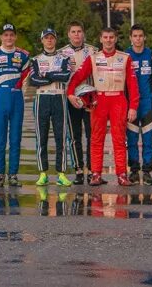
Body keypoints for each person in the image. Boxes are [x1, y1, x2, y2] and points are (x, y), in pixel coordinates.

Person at [66, 27, 140, 186]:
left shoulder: (125, 58)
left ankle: (121, 174)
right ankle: (96, 174)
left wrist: (133, 106)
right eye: (105, 37)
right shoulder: (93, 58)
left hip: (118, 100)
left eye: (111, 37)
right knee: (96, 139)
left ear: (116, 39)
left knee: (119, 139)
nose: (108, 40)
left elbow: (132, 85)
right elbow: (78, 76)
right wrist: (70, 93)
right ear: (100, 39)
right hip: (98, 101)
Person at [0, 23, 30, 187]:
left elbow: (25, 79)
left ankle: (13, 174)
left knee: (16, 139)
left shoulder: (24, 55)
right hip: (0, 99)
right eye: (6, 35)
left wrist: (20, 94)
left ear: (15, 37)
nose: (9, 38)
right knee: (0, 139)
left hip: (17, 99)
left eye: (11, 35)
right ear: (1, 37)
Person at [29, 28, 74, 186]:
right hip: (42, 98)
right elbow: (33, 80)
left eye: (52, 38)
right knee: (41, 136)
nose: (49, 40)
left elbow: (65, 75)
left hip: (59, 97)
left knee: (61, 136)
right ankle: (43, 173)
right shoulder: (35, 59)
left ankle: (61, 173)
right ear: (42, 40)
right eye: (46, 38)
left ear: (56, 40)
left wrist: (47, 75)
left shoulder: (64, 58)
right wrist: (53, 76)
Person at [59, 22, 97, 184]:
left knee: (92, 135)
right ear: (68, 34)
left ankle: (92, 169)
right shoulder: (61, 53)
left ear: (83, 34)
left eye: (79, 31)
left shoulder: (93, 51)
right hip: (71, 99)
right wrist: (68, 95)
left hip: (90, 99)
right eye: (73, 32)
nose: (76, 35)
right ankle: (79, 169)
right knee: (74, 136)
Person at [125, 25, 152, 185]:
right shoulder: (125, 56)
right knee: (131, 139)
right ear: (130, 38)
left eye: (140, 36)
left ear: (144, 38)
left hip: (147, 103)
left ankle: (146, 172)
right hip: (131, 103)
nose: (138, 39)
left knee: (147, 139)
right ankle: (133, 171)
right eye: (135, 36)